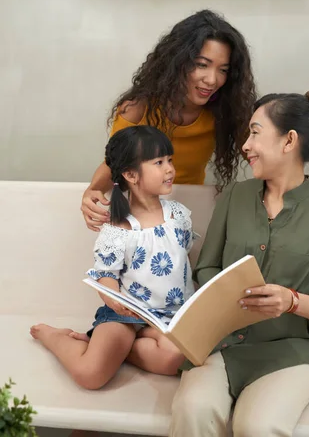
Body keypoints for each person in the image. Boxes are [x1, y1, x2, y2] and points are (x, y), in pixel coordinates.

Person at [170, 90, 309, 437]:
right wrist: (226, 295)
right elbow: (206, 267)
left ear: (289, 140)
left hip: (292, 353)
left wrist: (292, 301)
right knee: (191, 408)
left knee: (258, 425)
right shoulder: (234, 197)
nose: (246, 144)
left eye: (255, 132)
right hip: (225, 344)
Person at [80, 10, 309, 232]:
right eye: (201, 64)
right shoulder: (139, 108)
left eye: (223, 70)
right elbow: (114, 163)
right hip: (142, 210)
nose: (212, 80)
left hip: (190, 208)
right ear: (177, 62)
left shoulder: (225, 111)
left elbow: (273, 161)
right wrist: (92, 192)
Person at [31, 126, 196, 390]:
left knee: (176, 359)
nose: (170, 169)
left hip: (168, 315)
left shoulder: (179, 215)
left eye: (169, 160)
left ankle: (109, 348)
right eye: (158, 162)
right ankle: (55, 337)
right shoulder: (118, 229)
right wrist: (116, 302)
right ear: (131, 174)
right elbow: (106, 276)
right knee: (90, 375)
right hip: (125, 315)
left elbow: (184, 261)